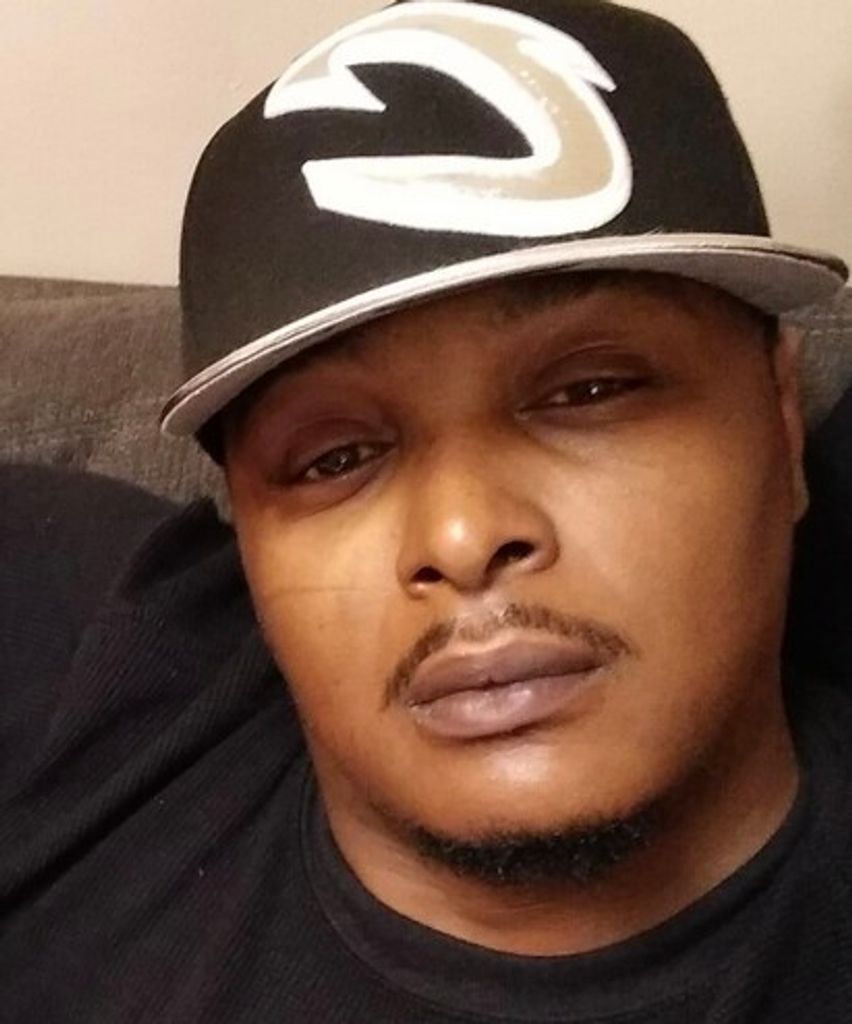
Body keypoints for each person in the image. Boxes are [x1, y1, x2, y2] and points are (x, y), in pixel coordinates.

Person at [2, 1, 851, 1020]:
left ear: (782, 424)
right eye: (336, 457)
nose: (461, 536)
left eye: (588, 390)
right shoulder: (97, 674)